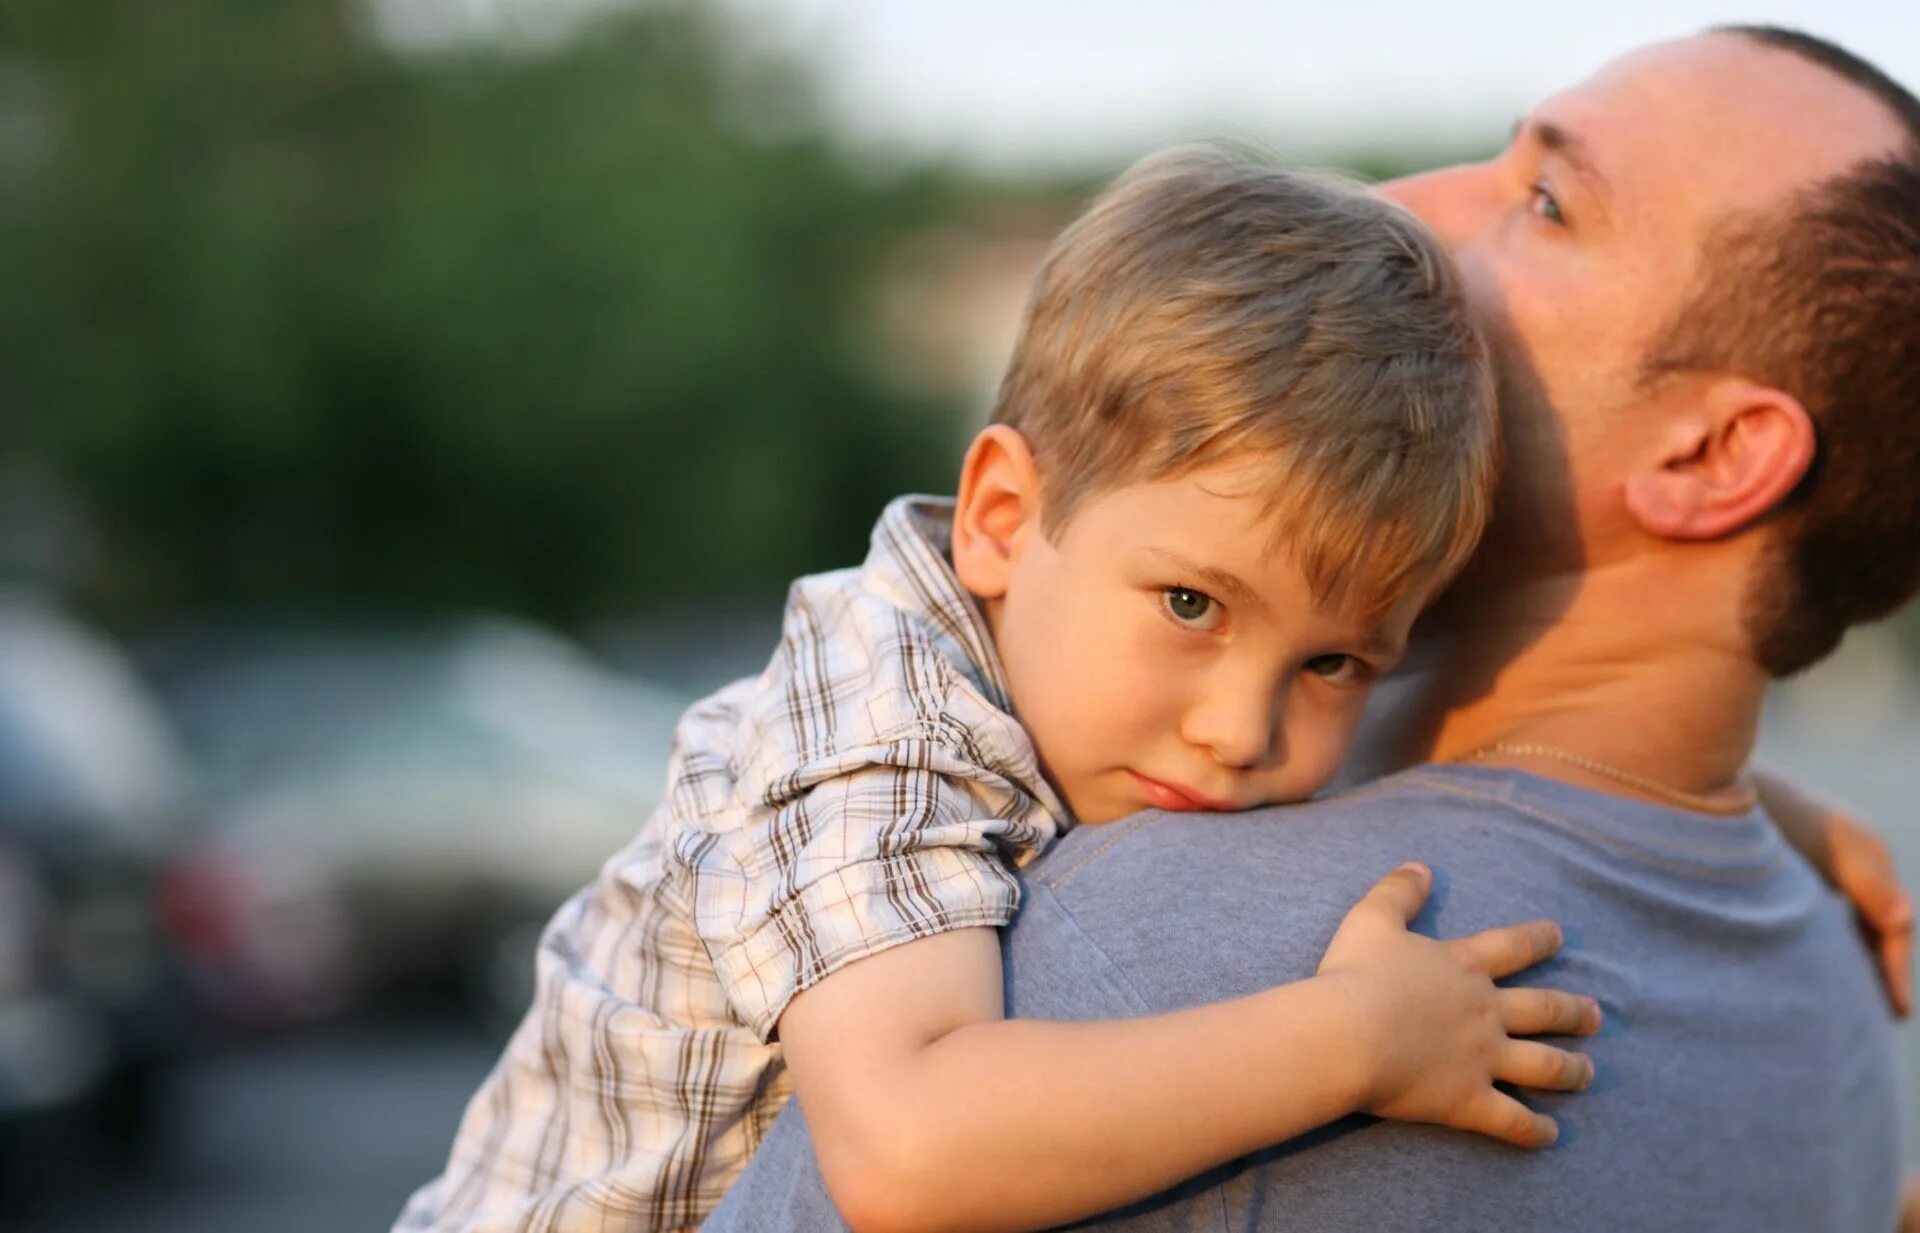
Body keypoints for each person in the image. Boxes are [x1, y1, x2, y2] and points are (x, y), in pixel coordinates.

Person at [701, 25, 1920, 1233]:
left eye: (1544, 202)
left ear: (1713, 456)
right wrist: (1767, 809)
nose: (1404, 207)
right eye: (1195, 605)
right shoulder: (1840, 990)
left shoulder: (1144, 967)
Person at [399, 151, 1632, 1233]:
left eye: (1331, 665)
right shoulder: (876, 722)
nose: (1239, 733)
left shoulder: (1095, 675)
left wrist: (1769, 824)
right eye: (1191, 608)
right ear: (999, 517)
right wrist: (1354, 1042)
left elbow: (1500, 689)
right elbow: (908, 1149)